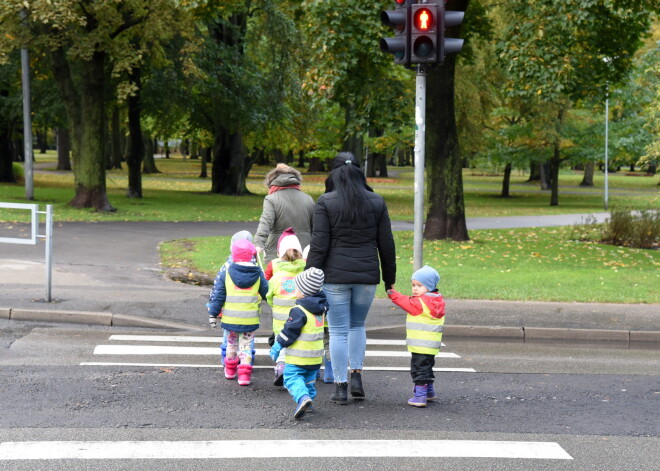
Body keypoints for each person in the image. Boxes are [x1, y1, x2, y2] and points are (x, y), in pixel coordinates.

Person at [305, 152, 396, 404]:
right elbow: (386, 244)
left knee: (337, 331)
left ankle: (340, 386)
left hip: (335, 276)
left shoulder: (325, 202)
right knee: (357, 326)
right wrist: (390, 278)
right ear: (359, 172)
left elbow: (319, 245)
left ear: (333, 174)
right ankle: (357, 376)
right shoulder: (377, 201)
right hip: (367, 276)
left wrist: (309, 276)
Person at [207, 239, 268, 386]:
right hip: (250, 320)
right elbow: (267, 293)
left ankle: (230, 370)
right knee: (246, 346)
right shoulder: (258, 273)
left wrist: (213, 315)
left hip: (230, 319)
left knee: (231, 344)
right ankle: (244, 376)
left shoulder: (226, 273)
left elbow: (218, 296)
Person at [269, 268, 327, 419]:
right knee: (309, 380)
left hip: (298, 357)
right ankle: (309, 401)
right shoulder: (321, 309)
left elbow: (289, 332)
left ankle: (302, 398)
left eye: (297, 287)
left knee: (290, 377)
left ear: (304, 291)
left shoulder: (299, 310)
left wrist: (277, 345)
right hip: (314, 357)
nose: (295, 289)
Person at [387, 265, 445, 407]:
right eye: (413, 285)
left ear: (430, 286)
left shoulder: (419, 302)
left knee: (418, 370)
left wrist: (392, 293)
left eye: (419, 285)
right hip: (432, 346)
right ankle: (429, 392)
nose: (415, 288)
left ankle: (419, 397)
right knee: (427, 368)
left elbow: (403, 301)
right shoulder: (438, 301)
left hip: (420, 345)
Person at [207, 231, 257, 366]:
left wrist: (213, 305)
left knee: (229, 334)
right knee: (248, 337)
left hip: (229, 308)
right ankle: (247, 358)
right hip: (249, 310)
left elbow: (218, 287)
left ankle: (227, 357)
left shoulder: (227, 266)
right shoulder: (255, 267)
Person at [265, 230, 306, 385]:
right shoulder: (305, 269)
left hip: (280, 317)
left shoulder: (275, 272)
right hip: (299, 315)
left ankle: (281, 366)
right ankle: (296, 368)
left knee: (281, 340)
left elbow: (268, 295)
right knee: (297, 340)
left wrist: (274, 303)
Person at [253, 163, 315, 265]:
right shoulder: (308, 198)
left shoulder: (271, 198)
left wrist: (258, 244)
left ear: (273, 179)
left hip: (279, 252)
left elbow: (266, 222)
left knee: (279, 280)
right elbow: (316, 228)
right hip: (304, 252)